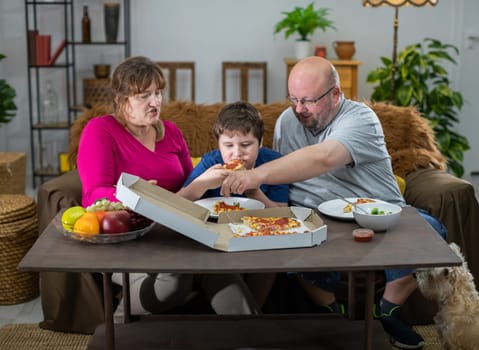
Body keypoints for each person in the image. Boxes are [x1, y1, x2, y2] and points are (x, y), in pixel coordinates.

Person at [220, 56, 447, 350]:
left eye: (308, 101)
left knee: (429, 231)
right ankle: (331, 314)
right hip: (315, 216)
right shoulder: (288, 120)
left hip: (379, 214)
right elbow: (284, 172)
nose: (299, 109)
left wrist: (254, 176)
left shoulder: (360, 118)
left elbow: (323, 157)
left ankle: (388, 310)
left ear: (336, 94)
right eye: (294, 99)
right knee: (293, 237)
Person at [76, 56, 259, 319]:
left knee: (223, 271)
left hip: (178, 232)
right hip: (130, 238)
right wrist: (137, 193)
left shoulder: (171, 132)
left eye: (158, 93)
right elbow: (93, 194)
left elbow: (190, 187)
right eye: (143, 96)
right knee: (174, 281)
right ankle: (118, 324)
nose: (155, 102)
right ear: (120, 100)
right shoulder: (100, 130)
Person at [179, 101, 288, 307]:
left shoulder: (274, 164)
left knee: (272, 256)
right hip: (218, 234)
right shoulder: (211, 163)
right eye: (228, 146)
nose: (237, 154)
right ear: (218, 144)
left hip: (261, 236)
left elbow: (283, 214)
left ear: (261, 142)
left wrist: (253, 191)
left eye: (246, 145)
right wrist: (201, 183)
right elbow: (177, 204)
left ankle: (255, 310)